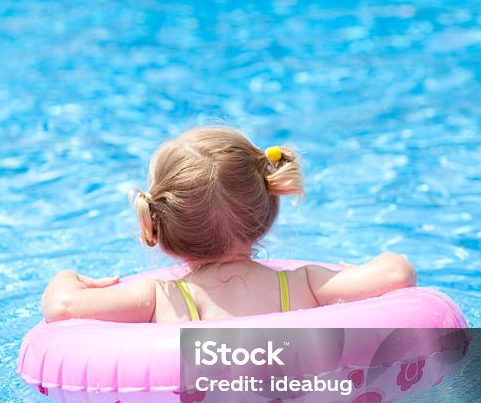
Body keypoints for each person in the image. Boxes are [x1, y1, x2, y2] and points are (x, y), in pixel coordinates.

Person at [41, 125, 416, 323]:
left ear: (159, 227)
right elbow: (398, 273)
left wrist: (72, 277)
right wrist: (367, 268)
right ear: (265, 214)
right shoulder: (305, 283)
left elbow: (61, 305)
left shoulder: (159, 298)